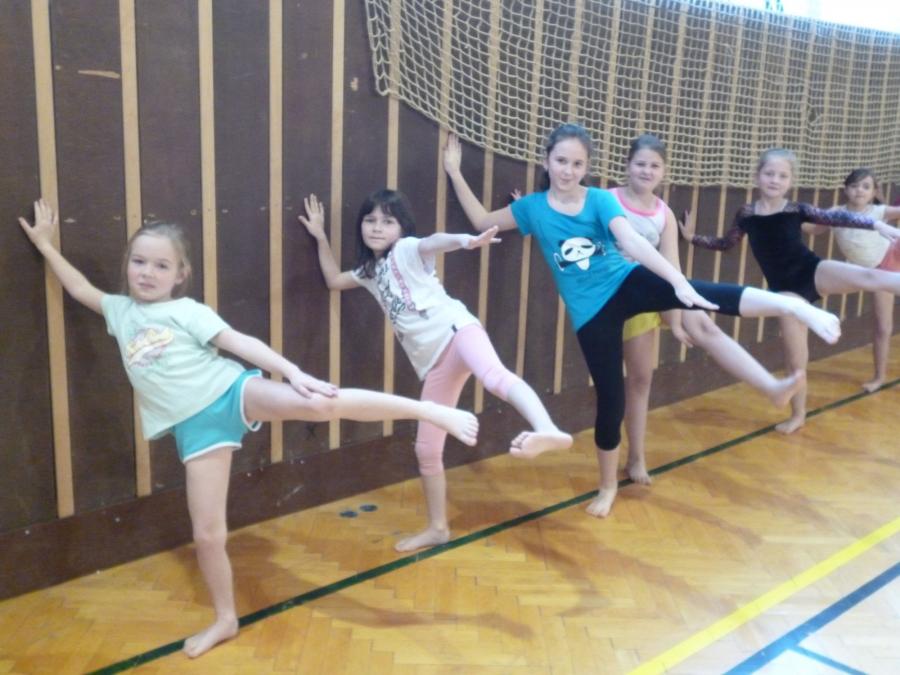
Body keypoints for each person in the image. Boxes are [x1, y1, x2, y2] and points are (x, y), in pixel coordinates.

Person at [18, 198, 479, 658]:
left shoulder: (186, 311)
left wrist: (293, 372)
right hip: (195, 431)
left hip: (231, 392)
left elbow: (240, 342)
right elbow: (79, 288)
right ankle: (225, 619)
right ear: (128, 265)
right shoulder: (119, 311)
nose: (147, 273)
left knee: (321, 403)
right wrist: (45, 245)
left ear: (180, 274)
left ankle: (430, 412)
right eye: (139, 262)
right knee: (207, 534)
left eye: (161, 265)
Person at [443, 124, 846, 518]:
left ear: (587, 167)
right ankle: (607, 486)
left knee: (704, 293)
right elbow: (481, 220)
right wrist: (455, 171)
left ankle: (795, 308)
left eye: (577, 164)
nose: (568, 170)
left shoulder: (599, 200)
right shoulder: (531, 208)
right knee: (611, 398)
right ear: (547, 161)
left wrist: (676, 281)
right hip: (591, 313)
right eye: (561, 161)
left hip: (625, 281)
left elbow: (632, 241)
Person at [298, 190, 572, 552]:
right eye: (370, 220)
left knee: (495, 377)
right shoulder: (369, 272)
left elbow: (433, 242)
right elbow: (334, 280)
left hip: (458, 331)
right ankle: (438, 528)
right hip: (434, 362)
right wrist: (320, 235)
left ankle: (547, 428)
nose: (377, 228)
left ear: (401, 228)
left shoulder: (405, 250)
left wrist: (466, 241)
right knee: (426, 448)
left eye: (387, 221)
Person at [610, 134, 805, 485]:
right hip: (623, 295)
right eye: (640, 164)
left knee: (705, 327)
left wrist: (676, 316)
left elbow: (672, 266)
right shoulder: (607, 200)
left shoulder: (664, 213)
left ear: (664, 171)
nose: (647, 171)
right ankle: (631, 458)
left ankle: (772, 387)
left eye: (654, 166)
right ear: (627, 165)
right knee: (637, 379)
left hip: (659, 287)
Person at [679, 150, 900, 433]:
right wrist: (692, 238)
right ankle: (798, 415)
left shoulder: (796, 209)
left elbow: (836, 217)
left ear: (790, 181)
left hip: (812, 271)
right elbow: (726, 243)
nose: (775, 180)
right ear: (757, 176)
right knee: (796, 360)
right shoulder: (746, 214)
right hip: (786, 293)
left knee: (871, 277)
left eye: (782, 176)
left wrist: (876, 223)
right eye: (769, 174)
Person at [829, 168, 900, 391]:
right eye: (854, 186)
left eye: (866, 187)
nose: (859, 190)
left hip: (891, 259)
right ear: (846, 189)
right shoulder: (835, 213)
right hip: (873, 271)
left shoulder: (878, 211)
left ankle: (879, 377)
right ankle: (879, 377)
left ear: (874, 192)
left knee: (883, 326)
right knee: (882, 326)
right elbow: (812, 228)